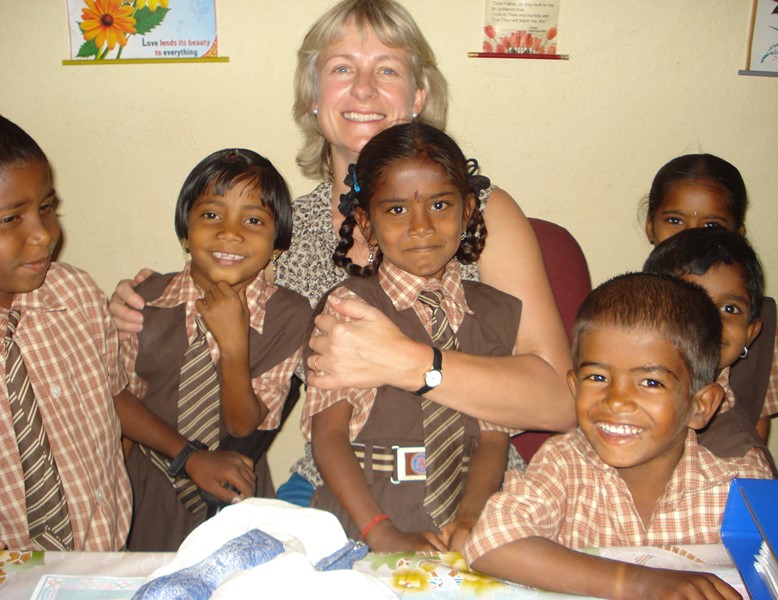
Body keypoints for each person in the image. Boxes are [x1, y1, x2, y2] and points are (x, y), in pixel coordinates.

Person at [108, 0, 574, 502]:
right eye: (342, 68)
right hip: (337, 480)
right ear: (313, 96)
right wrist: (139, 309)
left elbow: (559, 400)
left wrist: (407, 361)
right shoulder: (282, 235)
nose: (364, 89)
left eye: (387, 69)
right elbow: (213, 317)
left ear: (418, 96)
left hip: (474, 476)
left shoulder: (477, 211)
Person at [463, 272, 773, 599]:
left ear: (701, 406)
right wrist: (640, 583)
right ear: (574, 387)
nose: (616, 400)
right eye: (597, 377)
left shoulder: (739, 486)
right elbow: (491, 541)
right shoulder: (565, 463)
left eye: (650, 382)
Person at [304, 123, 515, 552]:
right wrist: (380, 531)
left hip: (464, 523)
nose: (421, 226)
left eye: (440, 205)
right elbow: (328, 437)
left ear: (469, 209)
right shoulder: (348, 310)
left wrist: (470, 520)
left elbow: (493, 437)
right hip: (363, 525)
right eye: (397, 210)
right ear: (365, 220)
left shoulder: (494, 314)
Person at [114, 148, 311, 551]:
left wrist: (234, 345)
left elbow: (244, 425)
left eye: (253, 220)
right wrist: (187, 457)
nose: (230, 232)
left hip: (235, 494)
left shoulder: (289, 314)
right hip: (147, 485)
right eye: (211, 215)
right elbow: (117, 398)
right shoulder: (144, 299)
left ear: (277, 244)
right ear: (184, 232)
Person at [0, 115, 132, 551]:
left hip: (100, 554)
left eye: (45, 207)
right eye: (9, 219)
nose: (43, 234)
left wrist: (185, 454)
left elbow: (113, 398)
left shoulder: (73, 293)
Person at [643, 153, 778, 444]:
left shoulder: (752, 316)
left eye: (712, 226)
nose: (692, 235)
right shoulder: (631, 304)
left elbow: (758, 417)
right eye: (675, 220)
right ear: (651, 227)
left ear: (737, 234)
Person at [643, 227, 778, 473]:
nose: (711, 321)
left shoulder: (740, 460)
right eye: (691, 303)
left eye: (730, 309)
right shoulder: (615, 400)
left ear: (750, 333)